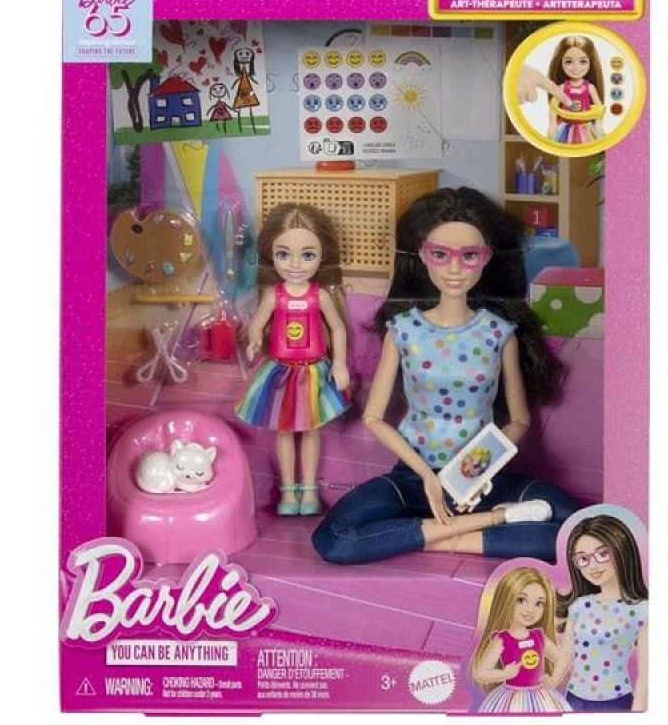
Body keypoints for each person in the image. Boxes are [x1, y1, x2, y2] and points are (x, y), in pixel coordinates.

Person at [312, 187, 579, 563]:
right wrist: (428, 476)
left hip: (482, 480)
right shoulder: (402, 331)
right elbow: (373, 418)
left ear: (487, 258)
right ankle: (491, 522)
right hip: (414, 479)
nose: (454, 269)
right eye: (441, 254)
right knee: (335, 539)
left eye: (469, 256)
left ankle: (427, 535)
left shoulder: (498, 333)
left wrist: (473, 472)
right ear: (422, 255)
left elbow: (519, 420)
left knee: (578, 528)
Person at [235, 203, 350, 516]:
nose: (295, 265)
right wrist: (254, 340)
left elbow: (338, 328)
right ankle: (288, 490)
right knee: (284, 431)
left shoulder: (319, 296)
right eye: (283, 254)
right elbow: (258, 323)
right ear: (271, 255)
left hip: (313, 371)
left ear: (322, 255)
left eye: (307, 255)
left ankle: (309, 489)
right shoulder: (274, 295)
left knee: (312, 430)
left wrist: (340, 363)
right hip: (281, 372)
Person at [557, 514, 649, 712]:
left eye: (602, 554)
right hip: (574, 699)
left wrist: (638, 712)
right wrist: (549, 682)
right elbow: (566, 655)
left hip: (616, 701)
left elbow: (646, 672)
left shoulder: (641, 610)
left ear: (621, 550)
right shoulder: (579, 606)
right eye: (583, 559)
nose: (593, 565)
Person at [470, 566, 570, 712]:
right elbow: (480, 673)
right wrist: (504, 674)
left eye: (539, 603)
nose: (530, 610)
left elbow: (562, 659)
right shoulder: (502, 640)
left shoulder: (539, 637)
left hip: (540, 696)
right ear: (506, 600)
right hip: (511, 697)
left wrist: (554, 680)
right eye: (521, 600)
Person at [546, 35, 605, 143]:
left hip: (585, 127)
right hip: (566, 126)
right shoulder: (562, 88)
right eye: (569, 62)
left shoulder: (590, 87)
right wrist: (552, 124)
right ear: (561, 63)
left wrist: (598, 124)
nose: (576, 67)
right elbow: (553, 107)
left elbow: (599, 108)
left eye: (582, 62)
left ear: (591, 62)